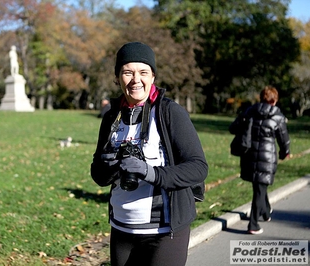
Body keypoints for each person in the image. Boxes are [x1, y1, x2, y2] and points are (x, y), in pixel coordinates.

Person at [90, 42, 208, 266]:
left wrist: (149, 172)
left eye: (143, 72)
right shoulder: (111, 117)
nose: (136, 80)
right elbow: (97, 174)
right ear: (117, 78)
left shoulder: (169, 113)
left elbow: (198, 168)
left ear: (153, 77)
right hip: (121, 229)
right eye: (127, 72)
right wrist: (108, 168)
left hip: (164, 232)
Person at [229, 86, 290, 235]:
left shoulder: (250, 111)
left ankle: (266, 213)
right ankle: (253, 224)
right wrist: (285, 153)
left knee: (260, 186)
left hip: (249, 155)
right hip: (267, 157)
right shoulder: (277, 116)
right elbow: (284, 138)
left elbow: (233, 128)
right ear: (274, 100)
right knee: (260, 188)